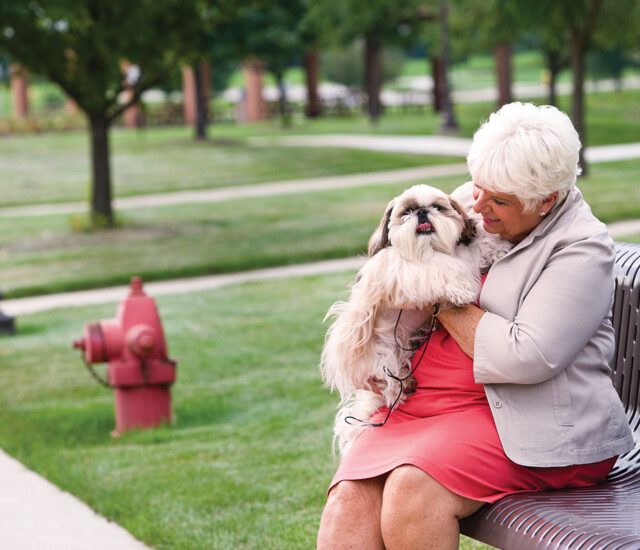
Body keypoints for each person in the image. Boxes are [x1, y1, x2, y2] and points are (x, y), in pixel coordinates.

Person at [317, 102, 634, 550]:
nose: (476, 205)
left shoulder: (581, 249)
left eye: (498, 200)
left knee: (412, 490)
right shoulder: (478, 202)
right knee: (348, 501)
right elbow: (396, 263)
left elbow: (526, 357)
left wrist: (438, 294)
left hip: (530, 424)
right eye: (480, 187)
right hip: (430, 405)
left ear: (546, 201)